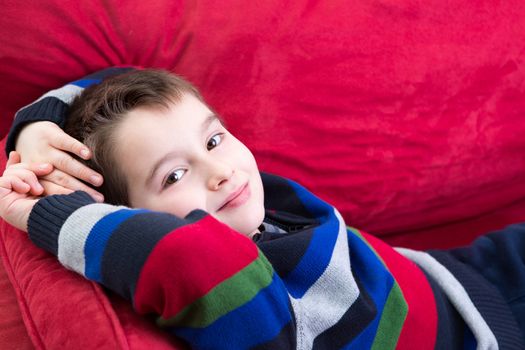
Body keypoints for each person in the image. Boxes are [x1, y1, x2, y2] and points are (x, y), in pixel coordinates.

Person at [1, 67, 524, 349]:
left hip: (463, 274)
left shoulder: (235, 200)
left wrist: (33, 128)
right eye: (174, 176)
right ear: (123, 213)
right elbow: (184, 259)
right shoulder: (243, 294)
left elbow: (129, 81)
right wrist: (43, 210)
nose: (221, 170)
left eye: (213, 139)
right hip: (486, 333)